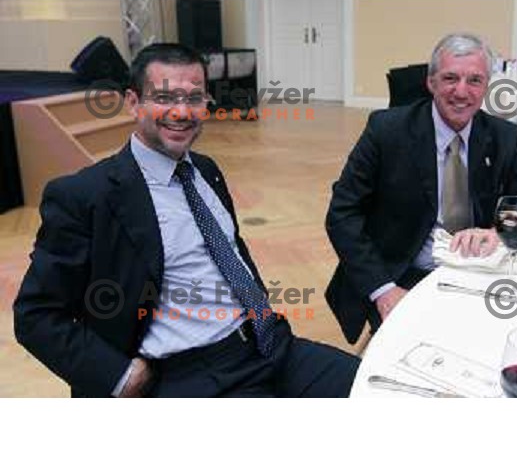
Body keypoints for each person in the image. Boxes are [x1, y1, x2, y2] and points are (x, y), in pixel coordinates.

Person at [13, 42, 359, 397]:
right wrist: (118, 376)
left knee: (380, 389)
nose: (181, 112)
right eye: (165, 98)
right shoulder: (86, 196)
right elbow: (35, 315)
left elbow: (228, 252)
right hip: (198, 374)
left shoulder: (206, 171)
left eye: (194, 98)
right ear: (134, 103)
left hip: (269, 343)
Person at [325, 33, 517, 344]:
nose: (461, 91)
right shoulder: (386, 131)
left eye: (474, 80)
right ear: (431, 82)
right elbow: (342, 213)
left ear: (487, 87)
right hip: (402, 272)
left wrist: (499, 232)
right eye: (450, 78)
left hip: (475, 269)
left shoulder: (504, 137)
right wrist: (384, 290)